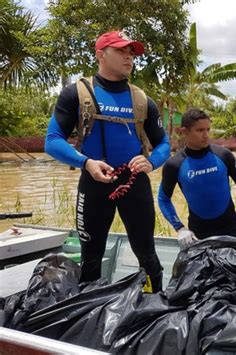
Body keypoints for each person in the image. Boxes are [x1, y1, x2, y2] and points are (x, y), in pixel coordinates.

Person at [45, 31, 170, 292]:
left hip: (134, 185)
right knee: (91, 259)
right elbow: (53, 141)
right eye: (122, 51)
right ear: (101, 54)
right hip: (93, 183)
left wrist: (152, 162)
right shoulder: (75, 93)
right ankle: (89, 314)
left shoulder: (142, 100)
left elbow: (164, 144)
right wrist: (86, 162)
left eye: (132, 52)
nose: (129, 57)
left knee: (147, 256)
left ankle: (153, 306)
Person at [158, 108, 236, 249]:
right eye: (200, 130)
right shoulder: (174, 164)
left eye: (208, 129)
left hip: (232, 229)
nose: (206, 135)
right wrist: (180, 228)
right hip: (198, 234)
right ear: (185, 132)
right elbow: (163, 199)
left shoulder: (223, 155)